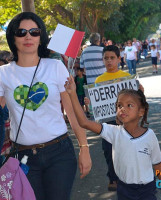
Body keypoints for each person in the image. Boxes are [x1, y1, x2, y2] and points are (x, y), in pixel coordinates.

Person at [0, 12, 92, 200]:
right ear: (12, 37)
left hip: (59, 153)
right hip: (23, 157)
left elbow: (72, 113)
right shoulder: (3, 74)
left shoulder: (56, 67)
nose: (28, 36)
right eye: (21, 32)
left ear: (41, 37)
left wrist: (84, 148)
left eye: (34, 31)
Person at [65, 77, 161, 200]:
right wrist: (72, 93)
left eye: (129, 105)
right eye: (119, 105)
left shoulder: (150, 135)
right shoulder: (114, 132)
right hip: (124, 190)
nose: (122, 109)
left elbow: (158, 166)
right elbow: (84, 122)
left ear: (141, 111)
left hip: (147, 190)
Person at [95, 45, 131, 191]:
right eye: (106, 58)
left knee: (127, 148)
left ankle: (128, 176)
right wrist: (89, 102)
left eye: (112, 58)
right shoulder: (99, 80)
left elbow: (136, 101)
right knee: (108, 150)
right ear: (102, 60)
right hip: (108, 122)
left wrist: (140, 92)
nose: (109, 61)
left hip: (126, 121)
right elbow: (96, 103)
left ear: (118, 59)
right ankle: (113, 178)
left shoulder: (126, 78)